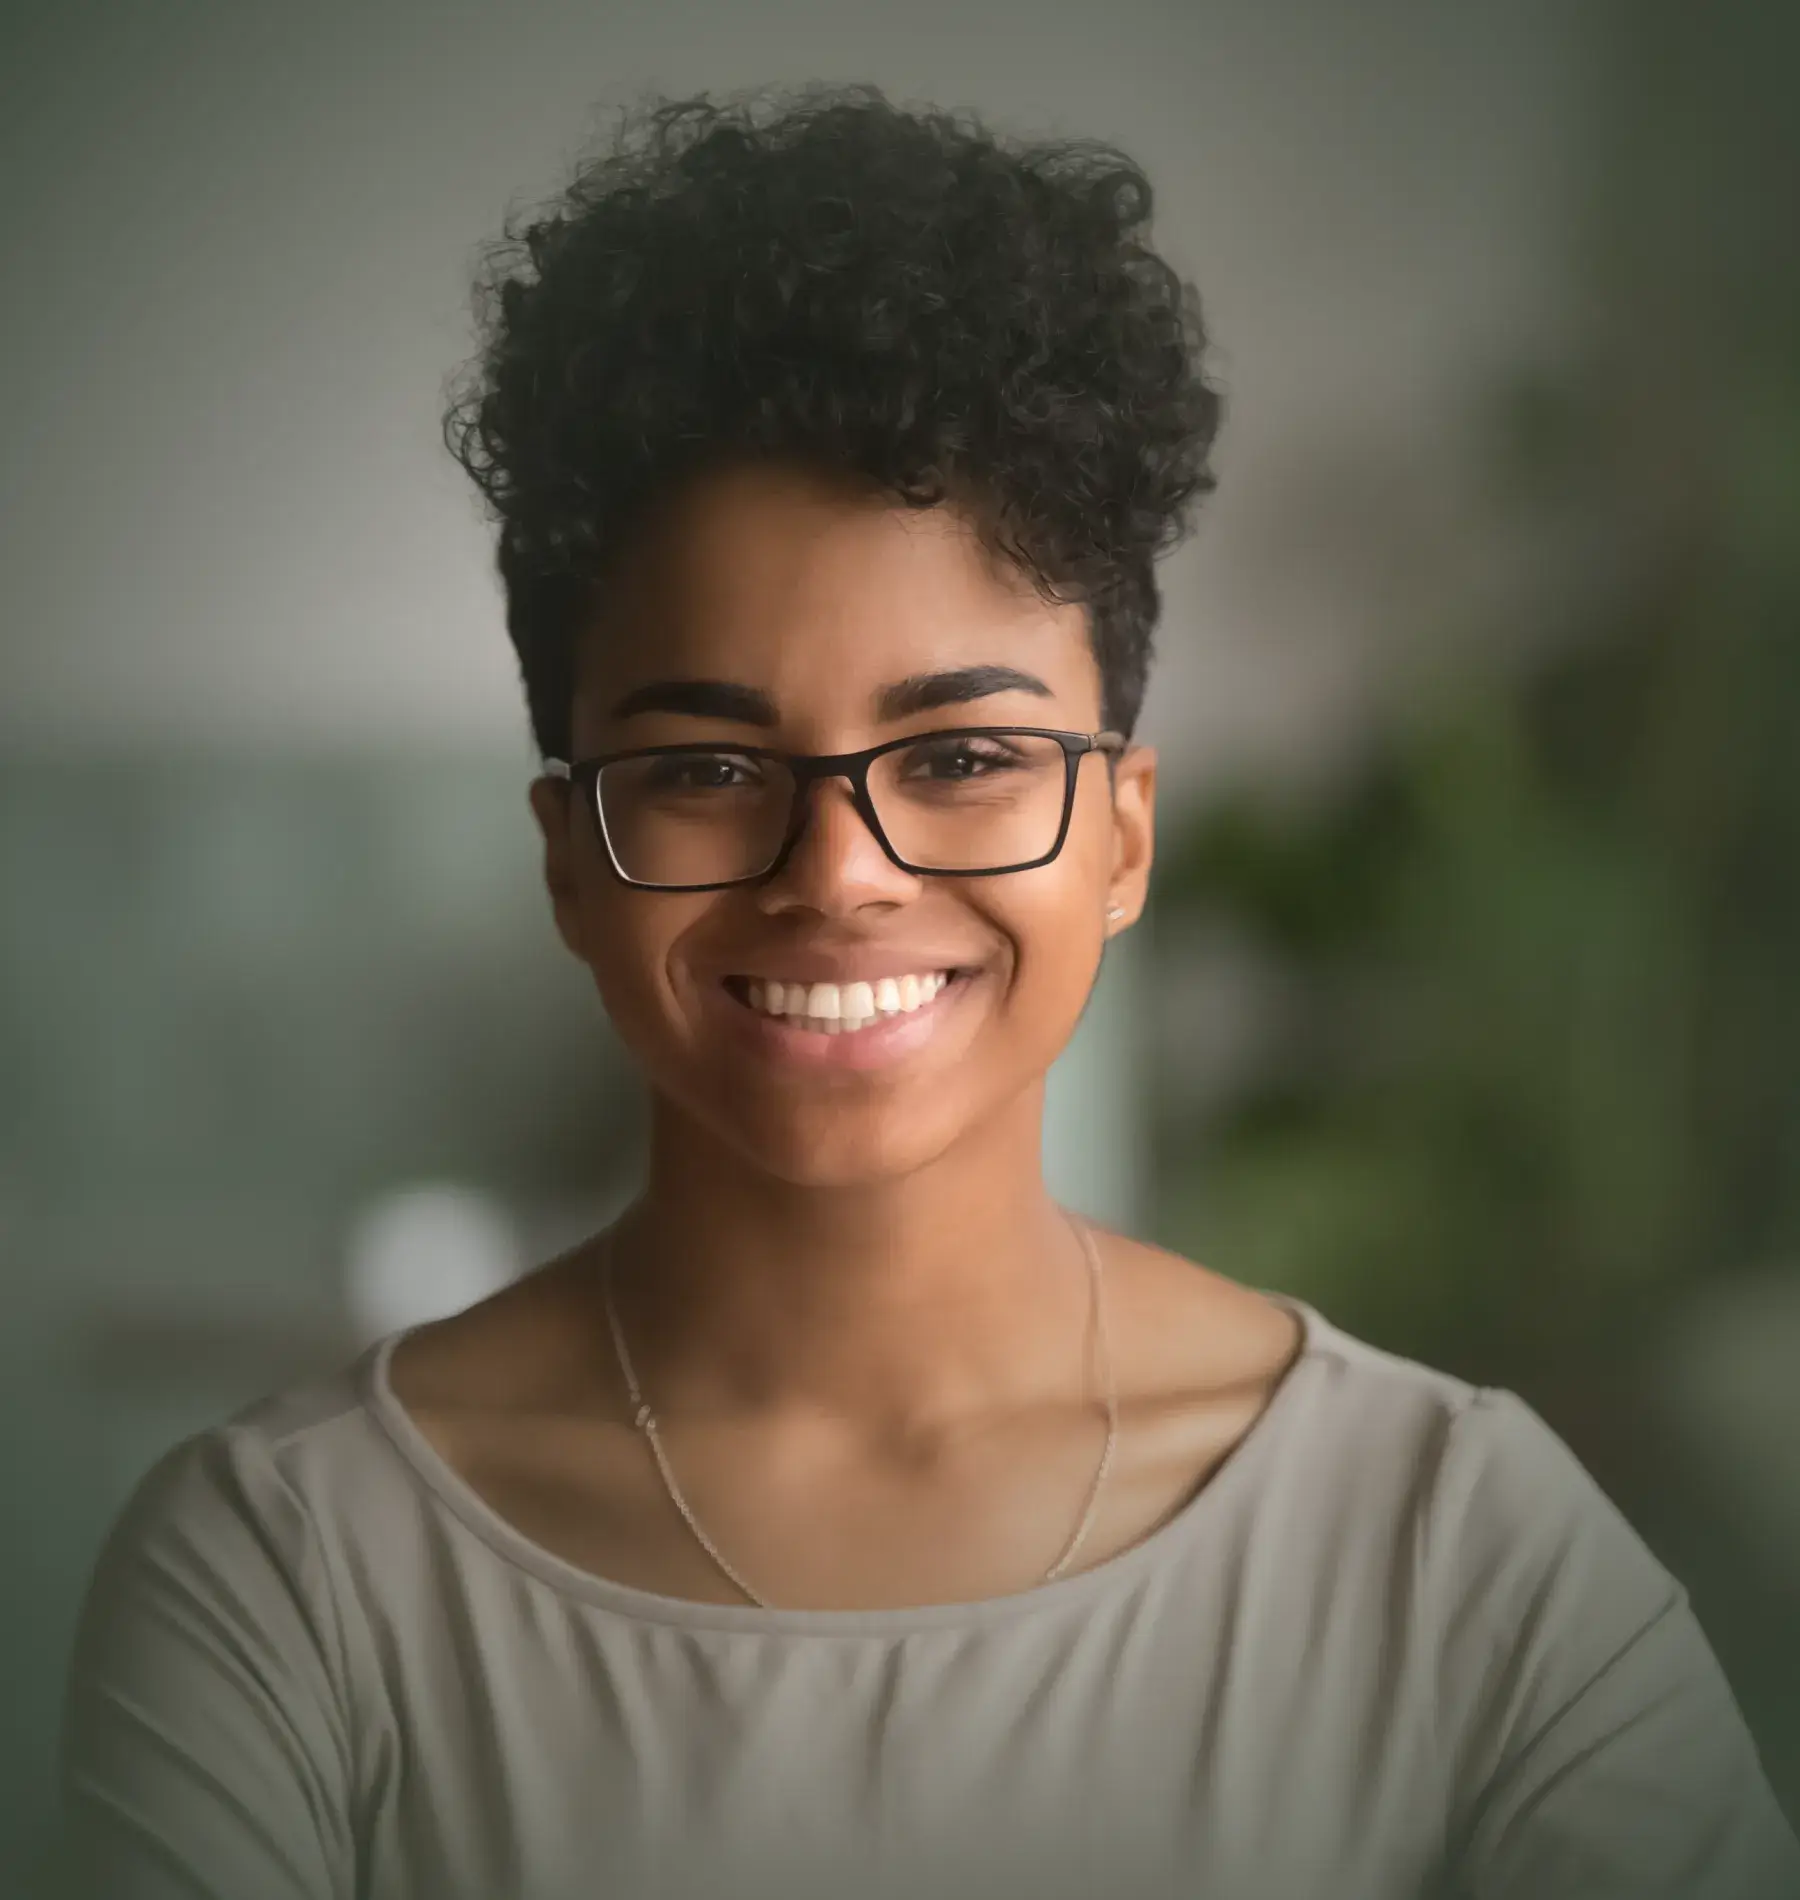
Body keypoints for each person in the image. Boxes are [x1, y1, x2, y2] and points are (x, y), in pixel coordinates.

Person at [54, 83, 1800, 1900]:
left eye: (961, 753)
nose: (839, 873)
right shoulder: (285, 1578)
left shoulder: (1453, 1546)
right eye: (711, 769)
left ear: (1122, 835)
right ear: (570, 858)